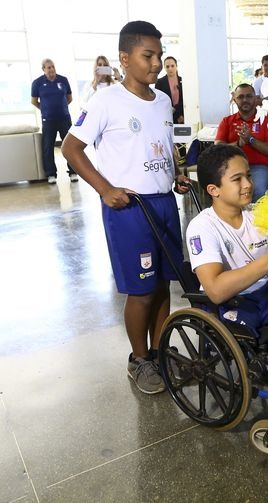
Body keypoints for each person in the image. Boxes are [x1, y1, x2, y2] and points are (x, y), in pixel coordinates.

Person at [61, 20, 191, 395]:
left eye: (159, 55)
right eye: (147, 55)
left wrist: (176, 173)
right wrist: (104, 188)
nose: (156, 63)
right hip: (129, 209)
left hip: (164, 203)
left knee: (165, 285)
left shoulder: (164, 100)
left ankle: (161, 351)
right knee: (142, 290)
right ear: (125, 57)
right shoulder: (106, 101)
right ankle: (140, 360)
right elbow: (72, 148)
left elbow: (163, 148)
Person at [186, 144, 268, 343]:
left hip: (263, 290)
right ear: (213, 189)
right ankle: (254, 359)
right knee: (243, 333)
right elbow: (216, 291)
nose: (248, 184)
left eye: (248, 176)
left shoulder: (257, 214)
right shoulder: (201, 227)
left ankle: (266, 358)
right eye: (237, 179)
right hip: (229, 301)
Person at [215, 84, 268, 202]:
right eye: (240, 97)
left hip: (260, 168)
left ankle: (254, 221)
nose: (245, 100)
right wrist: (238, 144)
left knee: (258, 190)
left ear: (256, 98)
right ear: (234, 100)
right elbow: (218, 148)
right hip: (232, 168)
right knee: (227, 192)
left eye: (249, 96)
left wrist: (250, 139)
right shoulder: (227, 121)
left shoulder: (267, 120)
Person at [31, 58, 76, 184]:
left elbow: (69, 98)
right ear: (43, 69)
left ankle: (73, 172)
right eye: (48, 67)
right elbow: (34, 101)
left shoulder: (63, 80)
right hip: (48, 120)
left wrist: (61, 108)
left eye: (53, 66)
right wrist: (45, 109)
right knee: (48, 147)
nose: (51, 69)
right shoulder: (37, 83)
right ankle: (51, 174)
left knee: (69, 146)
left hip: (64, 119)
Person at [155, 56, 184, 124]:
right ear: (164, 67)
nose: (170, 68)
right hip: (166, 118)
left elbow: (186, 100)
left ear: (176, 66)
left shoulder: (183, 81)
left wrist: (181, 115)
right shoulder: (159, 82)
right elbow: (157, 101)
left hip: (181, 117)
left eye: (172, 66)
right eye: (167, 66)